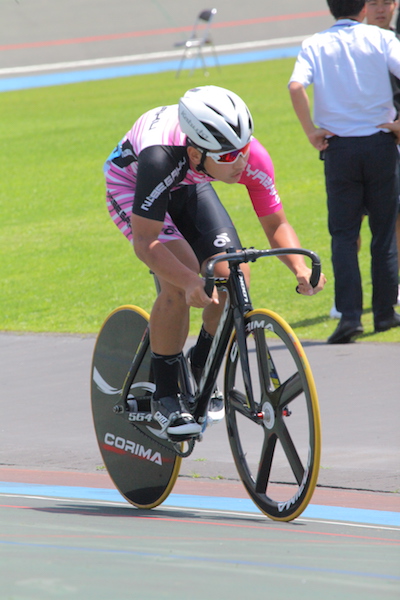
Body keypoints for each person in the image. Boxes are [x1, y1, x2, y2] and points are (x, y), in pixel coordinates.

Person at [104, 85, 326, 441]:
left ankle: (199, 366)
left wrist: (299, 267)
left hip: (188, 182)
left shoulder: (245, 157)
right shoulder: (161, 156)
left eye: (242, 151)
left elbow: (276, 224)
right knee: (182, 278)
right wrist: (190, 281)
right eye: (227, 157)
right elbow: (147, 243)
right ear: (195, 153)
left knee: (233, 273)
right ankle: (165, 395)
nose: (240, 163)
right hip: (134, 185)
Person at [288, 0, 400, 344]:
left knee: (343, 235)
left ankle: (349, 316)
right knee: (383, 233)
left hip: (339, 149)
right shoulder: (381, 39)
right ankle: (384, 313)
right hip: (380, 143)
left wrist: (310, 131)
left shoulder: (315, 43)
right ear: (364, 8)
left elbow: (296, 86)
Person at [366, 0, 400, 306]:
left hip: (394, 138)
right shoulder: (356, 45)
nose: (379, 9)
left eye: (384, 2)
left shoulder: (395, 41)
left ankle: (394, 284)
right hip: (362, 143)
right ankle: (346, 298)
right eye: (372, 2)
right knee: (351, 223)